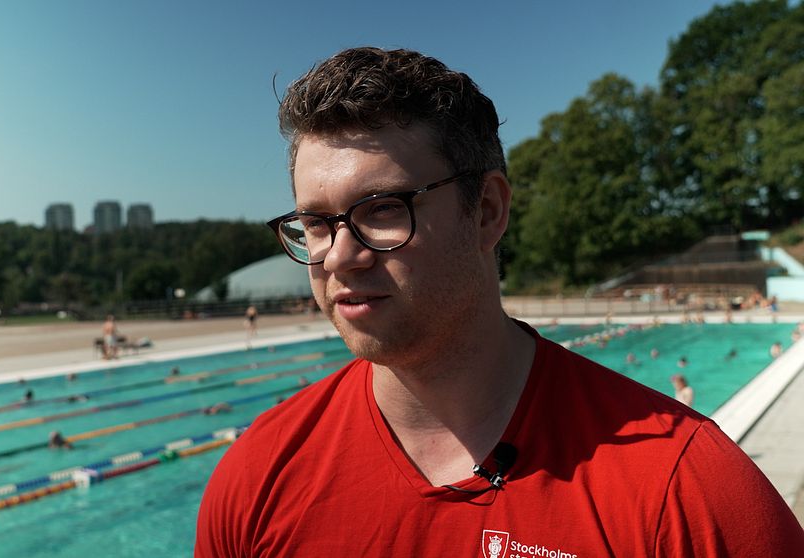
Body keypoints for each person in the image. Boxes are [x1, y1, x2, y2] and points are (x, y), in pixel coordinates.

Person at [195, 47, 804, 556]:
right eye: (316, 224)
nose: (338, 257)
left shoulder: (689, 490)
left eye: (382, 210)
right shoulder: (258, 476)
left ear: (487, 211)